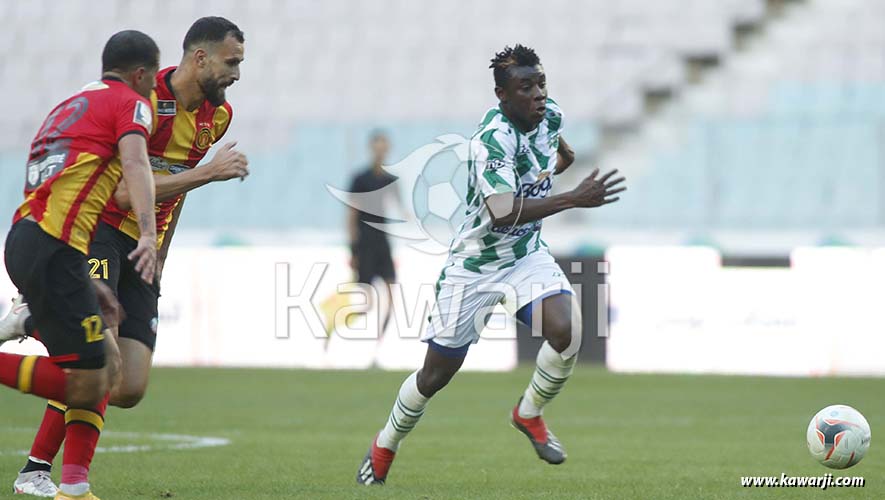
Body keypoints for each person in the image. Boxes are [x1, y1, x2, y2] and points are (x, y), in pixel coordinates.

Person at [356, 44, 626, 485]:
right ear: (502, 96)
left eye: (541, 83)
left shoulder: (549, 113)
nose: (539, 94)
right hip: (475, 265)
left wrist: (554, 170)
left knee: (568, 330)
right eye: (526, 87)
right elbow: (501, 212)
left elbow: (562, 152)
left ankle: (528, 413)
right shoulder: (491, 140)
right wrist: (572, 197)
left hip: (524, 256)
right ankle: (385, 444)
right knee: (435, 375)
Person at [3, 17, 247, 498]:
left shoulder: (217, 118)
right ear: (199, 58)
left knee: (129, 385)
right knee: (101, 358)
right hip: (100, 235)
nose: (237, 74)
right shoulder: (143, 102)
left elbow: (171, 195)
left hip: (144, 247)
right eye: (231, 62)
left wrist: (158, 255)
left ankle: (36, 468)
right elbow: (118, 192)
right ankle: (66, 481)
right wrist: (208, 174)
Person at [0, 30, 161, 500]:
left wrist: (84, 274)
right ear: (141, 73)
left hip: (37, 241)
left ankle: (72, 485)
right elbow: (135, 163)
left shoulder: (71, 105)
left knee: (106, 365)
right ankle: (66, 484)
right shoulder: (131, 103)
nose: (152, 91)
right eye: (151, 80)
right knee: (89, 381)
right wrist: (148, 233)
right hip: (53, 246)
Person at [346, 131, 399, 342]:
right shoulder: (360, 179)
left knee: (391, 295)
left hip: (382, 243)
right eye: (377, 144)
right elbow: (351, 215)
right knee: (365, 303)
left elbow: (400, 208)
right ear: (371, 147)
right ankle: (333, 323)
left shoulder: (390, 180)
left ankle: (379, 345)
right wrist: (353, 249)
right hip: (365, 243)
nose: (381, 148)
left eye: (384, 144)